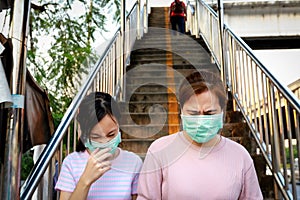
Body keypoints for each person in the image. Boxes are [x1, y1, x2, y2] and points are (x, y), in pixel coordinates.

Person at [137, 71, 263, 199]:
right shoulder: (160, 150)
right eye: (193, 113)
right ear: (181, 110)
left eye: (209, 113)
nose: (201, 120)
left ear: (222, 112)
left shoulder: (240, 156)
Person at [55, 92, 143, 200]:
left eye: (111, 134)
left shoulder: (133, 162)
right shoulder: (72, 163)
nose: (105, 142)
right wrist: (85, 181)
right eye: (96, 137)